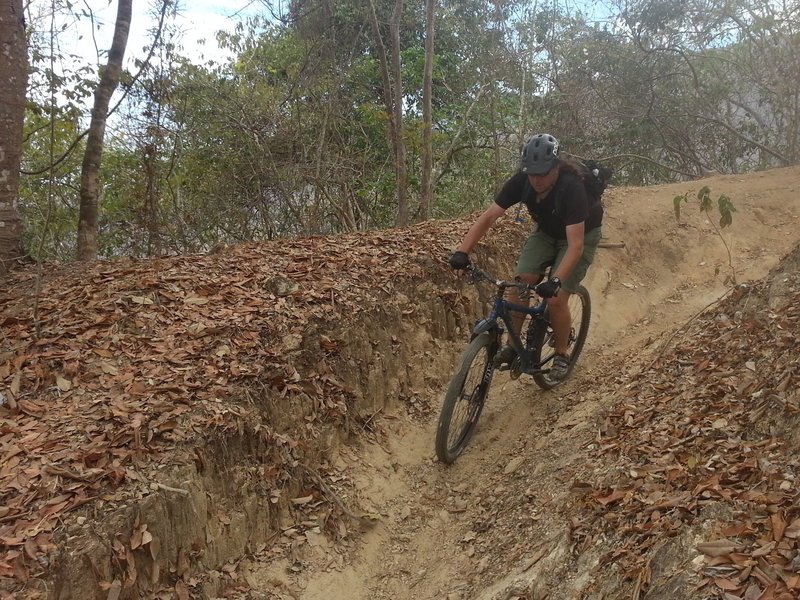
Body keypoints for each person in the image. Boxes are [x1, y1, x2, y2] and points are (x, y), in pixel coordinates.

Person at [448, 133, 603, 380]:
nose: (536, 179)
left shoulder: (571, 187)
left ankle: (562, 353)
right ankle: (512, 346)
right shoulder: (523, 181)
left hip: (580, 235)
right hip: (545, 231)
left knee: (556, 299)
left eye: (542, 173)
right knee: (520, 283)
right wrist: (462, 251)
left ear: (555, 167)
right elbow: (489, 216)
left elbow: (575, 246)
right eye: (531, 173)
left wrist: (555, 281)